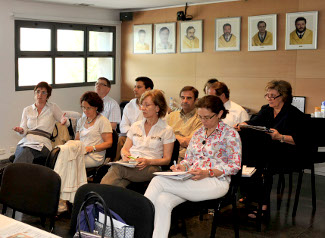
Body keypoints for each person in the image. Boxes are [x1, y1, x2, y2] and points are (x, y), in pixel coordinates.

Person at [144, 95, 242, 238]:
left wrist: (207, 172)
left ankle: (136, 222)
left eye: (207, 117)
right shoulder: (198, 133)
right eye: (200, 117)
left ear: (220, 113)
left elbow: (234, 166)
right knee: (162, 200)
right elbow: (188, 160)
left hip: (215, 182)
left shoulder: (230, 134)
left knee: (158, 181)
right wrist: (181, 167)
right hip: (191, 178)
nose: (203, 121)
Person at [236, 80, 310, 217]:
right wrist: (244, 124)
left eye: (272, 96)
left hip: (289, 152)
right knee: (246, 140)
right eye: (267, 95)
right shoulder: (266, 109)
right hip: (269, 150)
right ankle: (250, 194)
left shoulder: (294, 114)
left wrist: (280, 137)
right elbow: (254, 122)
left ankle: (261, 205)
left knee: (262, 162)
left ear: (283, 97)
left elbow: (302, 141)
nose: (269, 98)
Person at [101, 89, 175, 187]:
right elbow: (125, 149)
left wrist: (148, 161)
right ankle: (109, 200)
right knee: (118, 184)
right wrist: (125, 155)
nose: (143, 108)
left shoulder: (166, 130)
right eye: (142, 105)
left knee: (117, 168)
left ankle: (97, 198)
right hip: (131, 164)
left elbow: (166, 159)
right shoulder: (135, 126)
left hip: (151, 167)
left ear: (157, 108)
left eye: (147, 105)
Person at [13, 81, 69, 164]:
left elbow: (65, 121)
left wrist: (64, 120)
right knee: (24, 151)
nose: (40, 95)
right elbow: (23, 130)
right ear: (34, 93)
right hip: (26, 142)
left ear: (48, 95)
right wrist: (21, 130)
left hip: (43, 144)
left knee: (26, 153)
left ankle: (13, 173)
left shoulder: (52, 107)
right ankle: (18, 174)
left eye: (43, 92)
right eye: (38, 91)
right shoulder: (27, 109)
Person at [115, 77, 154, 160]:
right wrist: (134, 135)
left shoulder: (154, 106)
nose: (135, 90)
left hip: (148, 136)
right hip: (131, 136)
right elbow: (123, 126)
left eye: (139, 87)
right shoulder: (129, 105)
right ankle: (116, 162)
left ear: (148, 89)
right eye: (134, 87)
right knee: (121, 138)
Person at [166, 86, 202, 161]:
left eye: (189, 98)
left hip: (184, 158)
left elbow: (188, 142)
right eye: (182, 98)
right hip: (165, 153)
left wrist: (169, 136)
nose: (185, 101)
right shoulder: (172, 116)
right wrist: (179, 138)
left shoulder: (201, 118)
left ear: (196, 100)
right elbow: (161, 136)